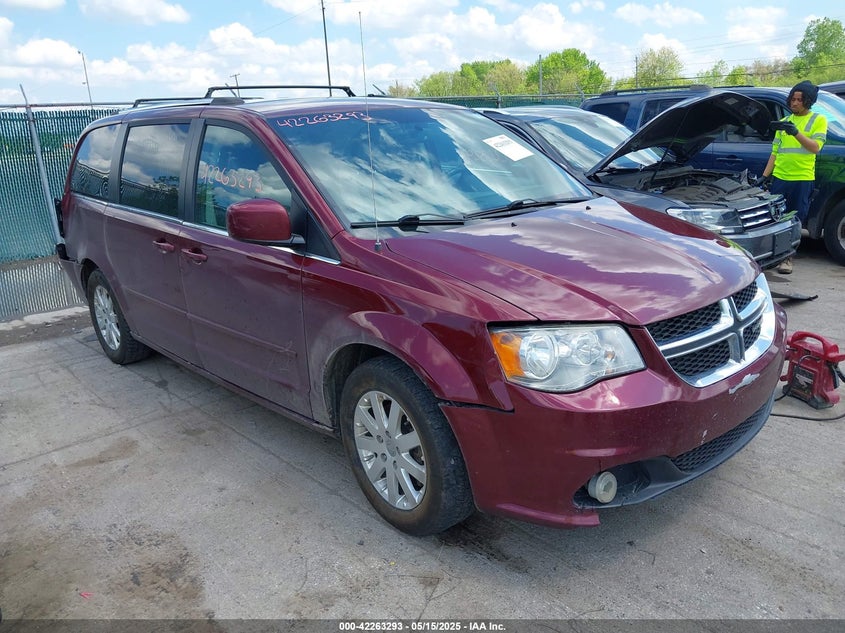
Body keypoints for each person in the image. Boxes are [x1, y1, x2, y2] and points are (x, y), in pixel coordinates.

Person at [762, 80, 827, 274]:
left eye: (800, 100)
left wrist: (796, 132)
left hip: (802, 179)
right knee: (776, 219)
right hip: (780, 178)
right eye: (793, 99)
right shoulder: (784, 121)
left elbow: (815, 147)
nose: (795, 103)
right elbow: (775, 152)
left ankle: (788, 258)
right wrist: (765, 176)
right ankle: (773, 256)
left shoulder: (818, 120)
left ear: (808, 101)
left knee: (795, 219)